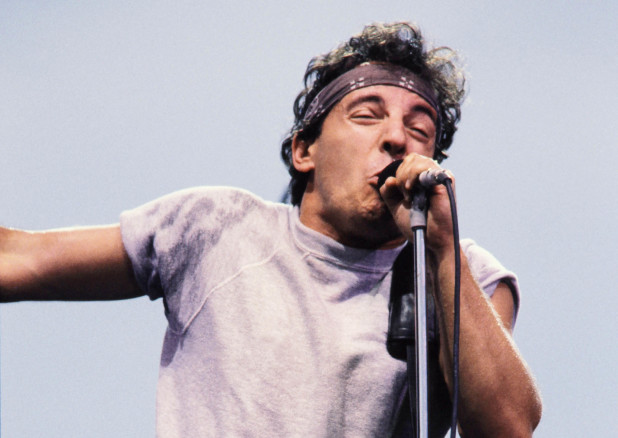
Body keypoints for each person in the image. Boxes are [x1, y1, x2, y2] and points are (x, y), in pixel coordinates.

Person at [0, 22, 541, 437]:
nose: (398, 139)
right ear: (305, 150)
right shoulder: (220, 227)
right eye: (367, 114)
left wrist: (441, 251)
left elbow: (507, 427)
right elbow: (22, 260)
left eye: (420, 130)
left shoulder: (464, 273)